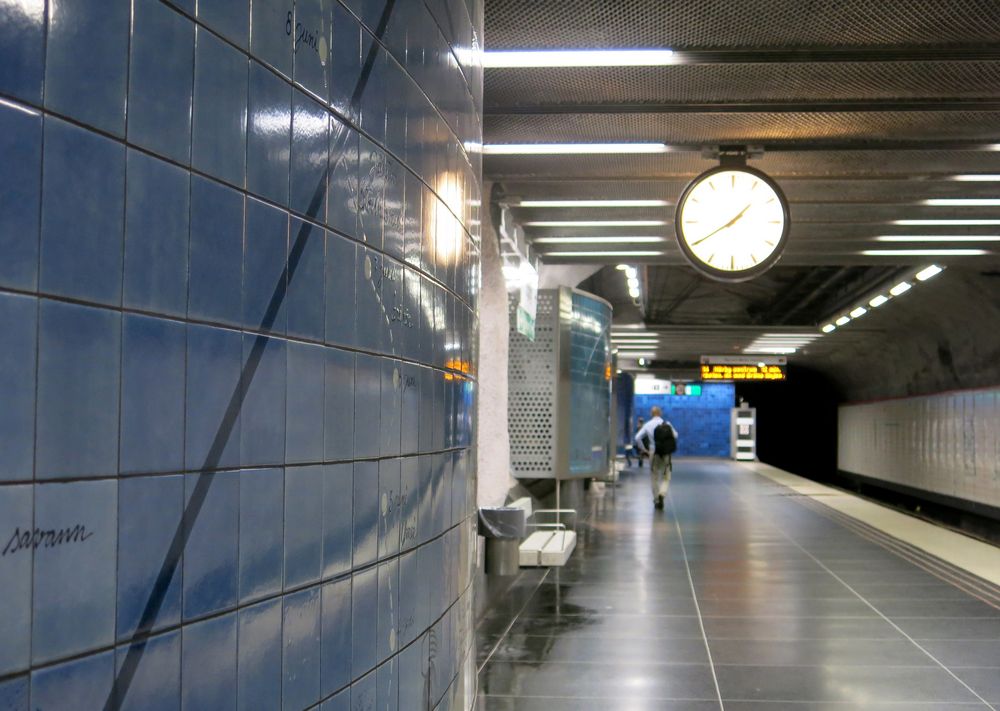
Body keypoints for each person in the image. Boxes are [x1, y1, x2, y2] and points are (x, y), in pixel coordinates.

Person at [633, 406, 678, 510]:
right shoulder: (667, 424)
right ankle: (662, 493)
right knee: (666, 476)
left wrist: (644, 449)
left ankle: (656, 499)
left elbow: (637, 438)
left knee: (654, 477)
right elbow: (675, 435)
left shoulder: (647, 425)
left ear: (651, 414)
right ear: (660, 413)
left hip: (653, 452)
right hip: (666, 453)